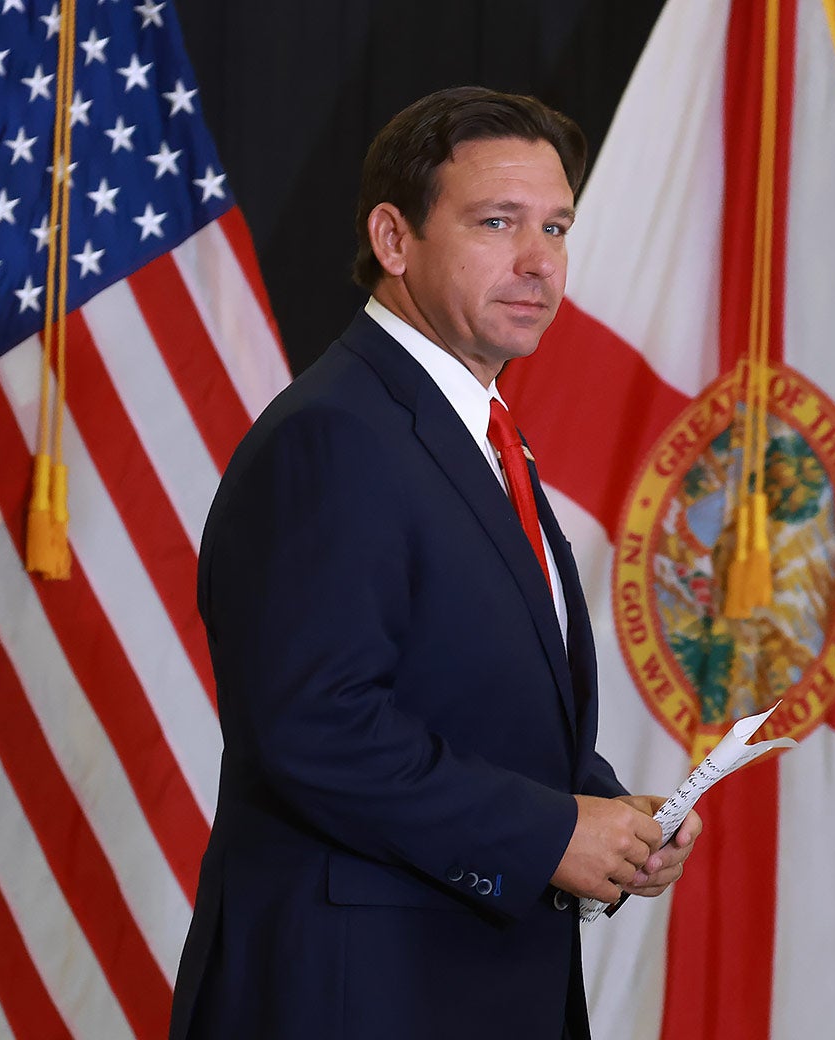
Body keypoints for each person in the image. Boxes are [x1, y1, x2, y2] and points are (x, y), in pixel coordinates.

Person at [169, 85, 701, 1040]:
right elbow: (316, 726)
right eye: (498, 223)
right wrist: (550, 835)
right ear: (394, 238)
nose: (540, 262)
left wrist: (609, 820)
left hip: (472, 981)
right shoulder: (334, 436)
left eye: (557, 226)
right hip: (355, 996)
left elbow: (475, 705)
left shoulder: (479, 431)